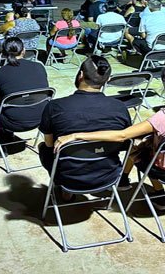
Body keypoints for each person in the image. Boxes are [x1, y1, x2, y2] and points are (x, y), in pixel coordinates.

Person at [56, 64, 165, 210]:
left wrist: (76, 135)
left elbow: (122, 135)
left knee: (135, 146)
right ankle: (124, 180)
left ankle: (159, 195)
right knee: (147, 144)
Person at [39, 56, 131, 198]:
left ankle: (67, 192)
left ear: (81, 75)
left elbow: (49, 144)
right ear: (107, 79)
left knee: (44, 147)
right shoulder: (120, 107)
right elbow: (125, 143)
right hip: (109, 175)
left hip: (68, 178)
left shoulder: (55, 107)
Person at [0, 37, 50, 141]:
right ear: (23, 50)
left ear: (3, 53)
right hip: (42, 117)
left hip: (13, 122)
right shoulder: (39, 67)